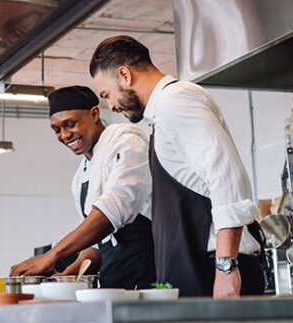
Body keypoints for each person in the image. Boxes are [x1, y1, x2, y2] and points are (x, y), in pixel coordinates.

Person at [89, 35, 266, 298]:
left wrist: (226, 268)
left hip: (213, 272)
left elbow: (227, 176)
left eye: (107, 94)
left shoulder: (176, 101)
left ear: (124, 75)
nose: (111, 106)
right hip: (197, 271)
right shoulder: (162, 113)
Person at [10, 86, 156, 289]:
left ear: (94, 114)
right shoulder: (81, 176)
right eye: (57, 129)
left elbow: (111, 212)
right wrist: (66, 277)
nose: (65, 135)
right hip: (112, 282)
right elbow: (94, 248)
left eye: (70, 124)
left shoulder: (128, 144)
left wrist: (52, 255)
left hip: (148, 277)